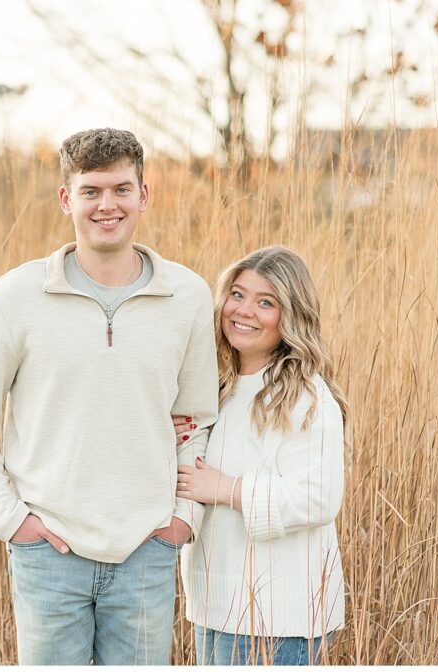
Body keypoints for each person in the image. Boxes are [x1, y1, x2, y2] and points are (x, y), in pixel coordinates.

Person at [0, 128, 219, 665]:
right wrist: (12, 521)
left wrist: (183, 517)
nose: (107, 205)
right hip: (49, 555)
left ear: (144, 195)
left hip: (147, 551)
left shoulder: (186, 296)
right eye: (91, 190)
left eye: (121, 189)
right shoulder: (15, 297)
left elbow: (193, 418)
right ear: (66, 198)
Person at [173, 246, 349, 665]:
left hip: (277, 618)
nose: (244, 310)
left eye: (265, 302)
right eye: (237, 294)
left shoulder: (305, 395)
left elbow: (319, 497)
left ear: (291, 315)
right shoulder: (218, 388)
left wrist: (227, 489)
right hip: (214, 605)